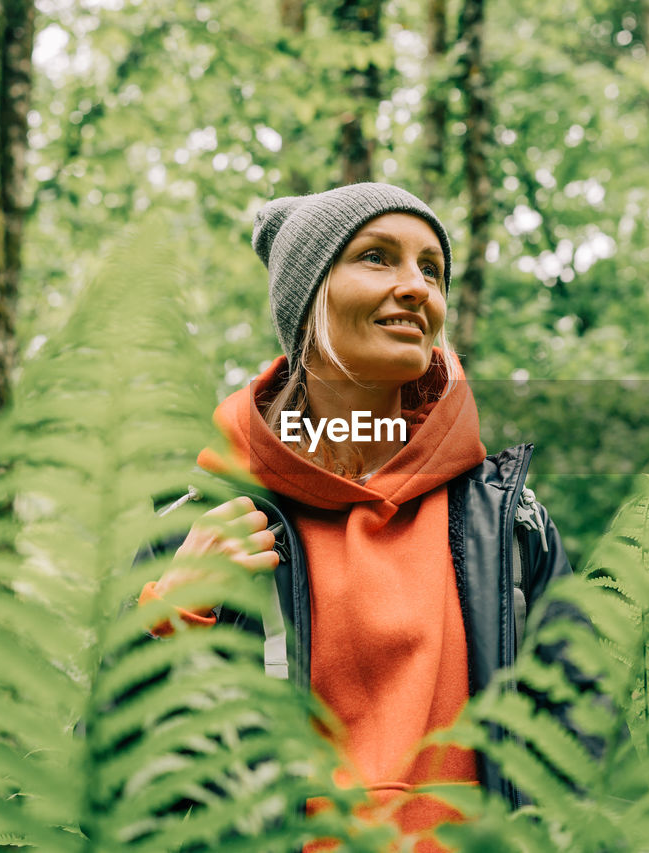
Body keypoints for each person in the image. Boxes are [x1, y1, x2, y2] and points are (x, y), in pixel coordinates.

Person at [139, 182, 575, 849]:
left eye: (431, 268)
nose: (416, 286)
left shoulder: (509, 524)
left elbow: (594, 773)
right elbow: (114, 799)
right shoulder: (202, 520)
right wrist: (173, 613)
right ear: (311, 297)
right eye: (377, 257)